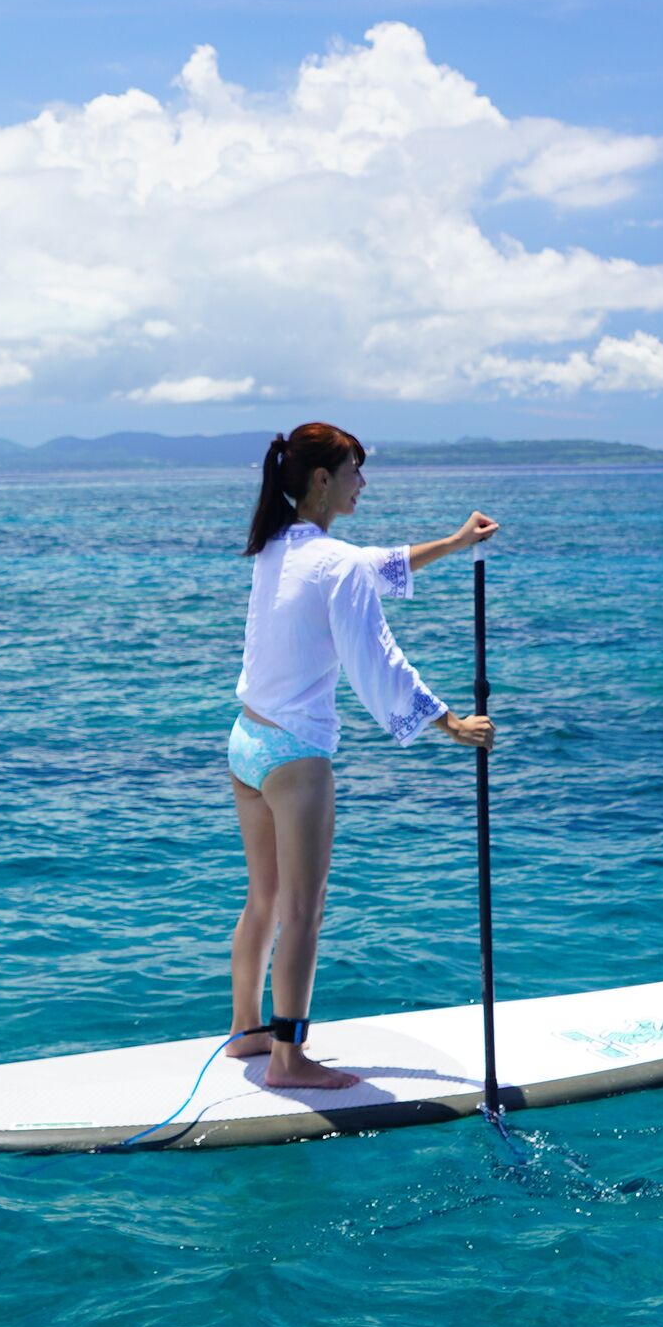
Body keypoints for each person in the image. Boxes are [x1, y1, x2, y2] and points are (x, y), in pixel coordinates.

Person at [226, 424, 496, 1089]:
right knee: (304, 912)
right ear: (323, 479)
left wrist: (455, 543)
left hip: (247, 742)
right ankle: (288, 1061)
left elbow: (373, 565)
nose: (362, 483)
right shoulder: (332, 562)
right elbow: (376, 659)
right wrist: (449, 721)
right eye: (354, 470)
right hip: (295, 756)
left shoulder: (275, 547)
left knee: (264, 899)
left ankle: (245, 1033)